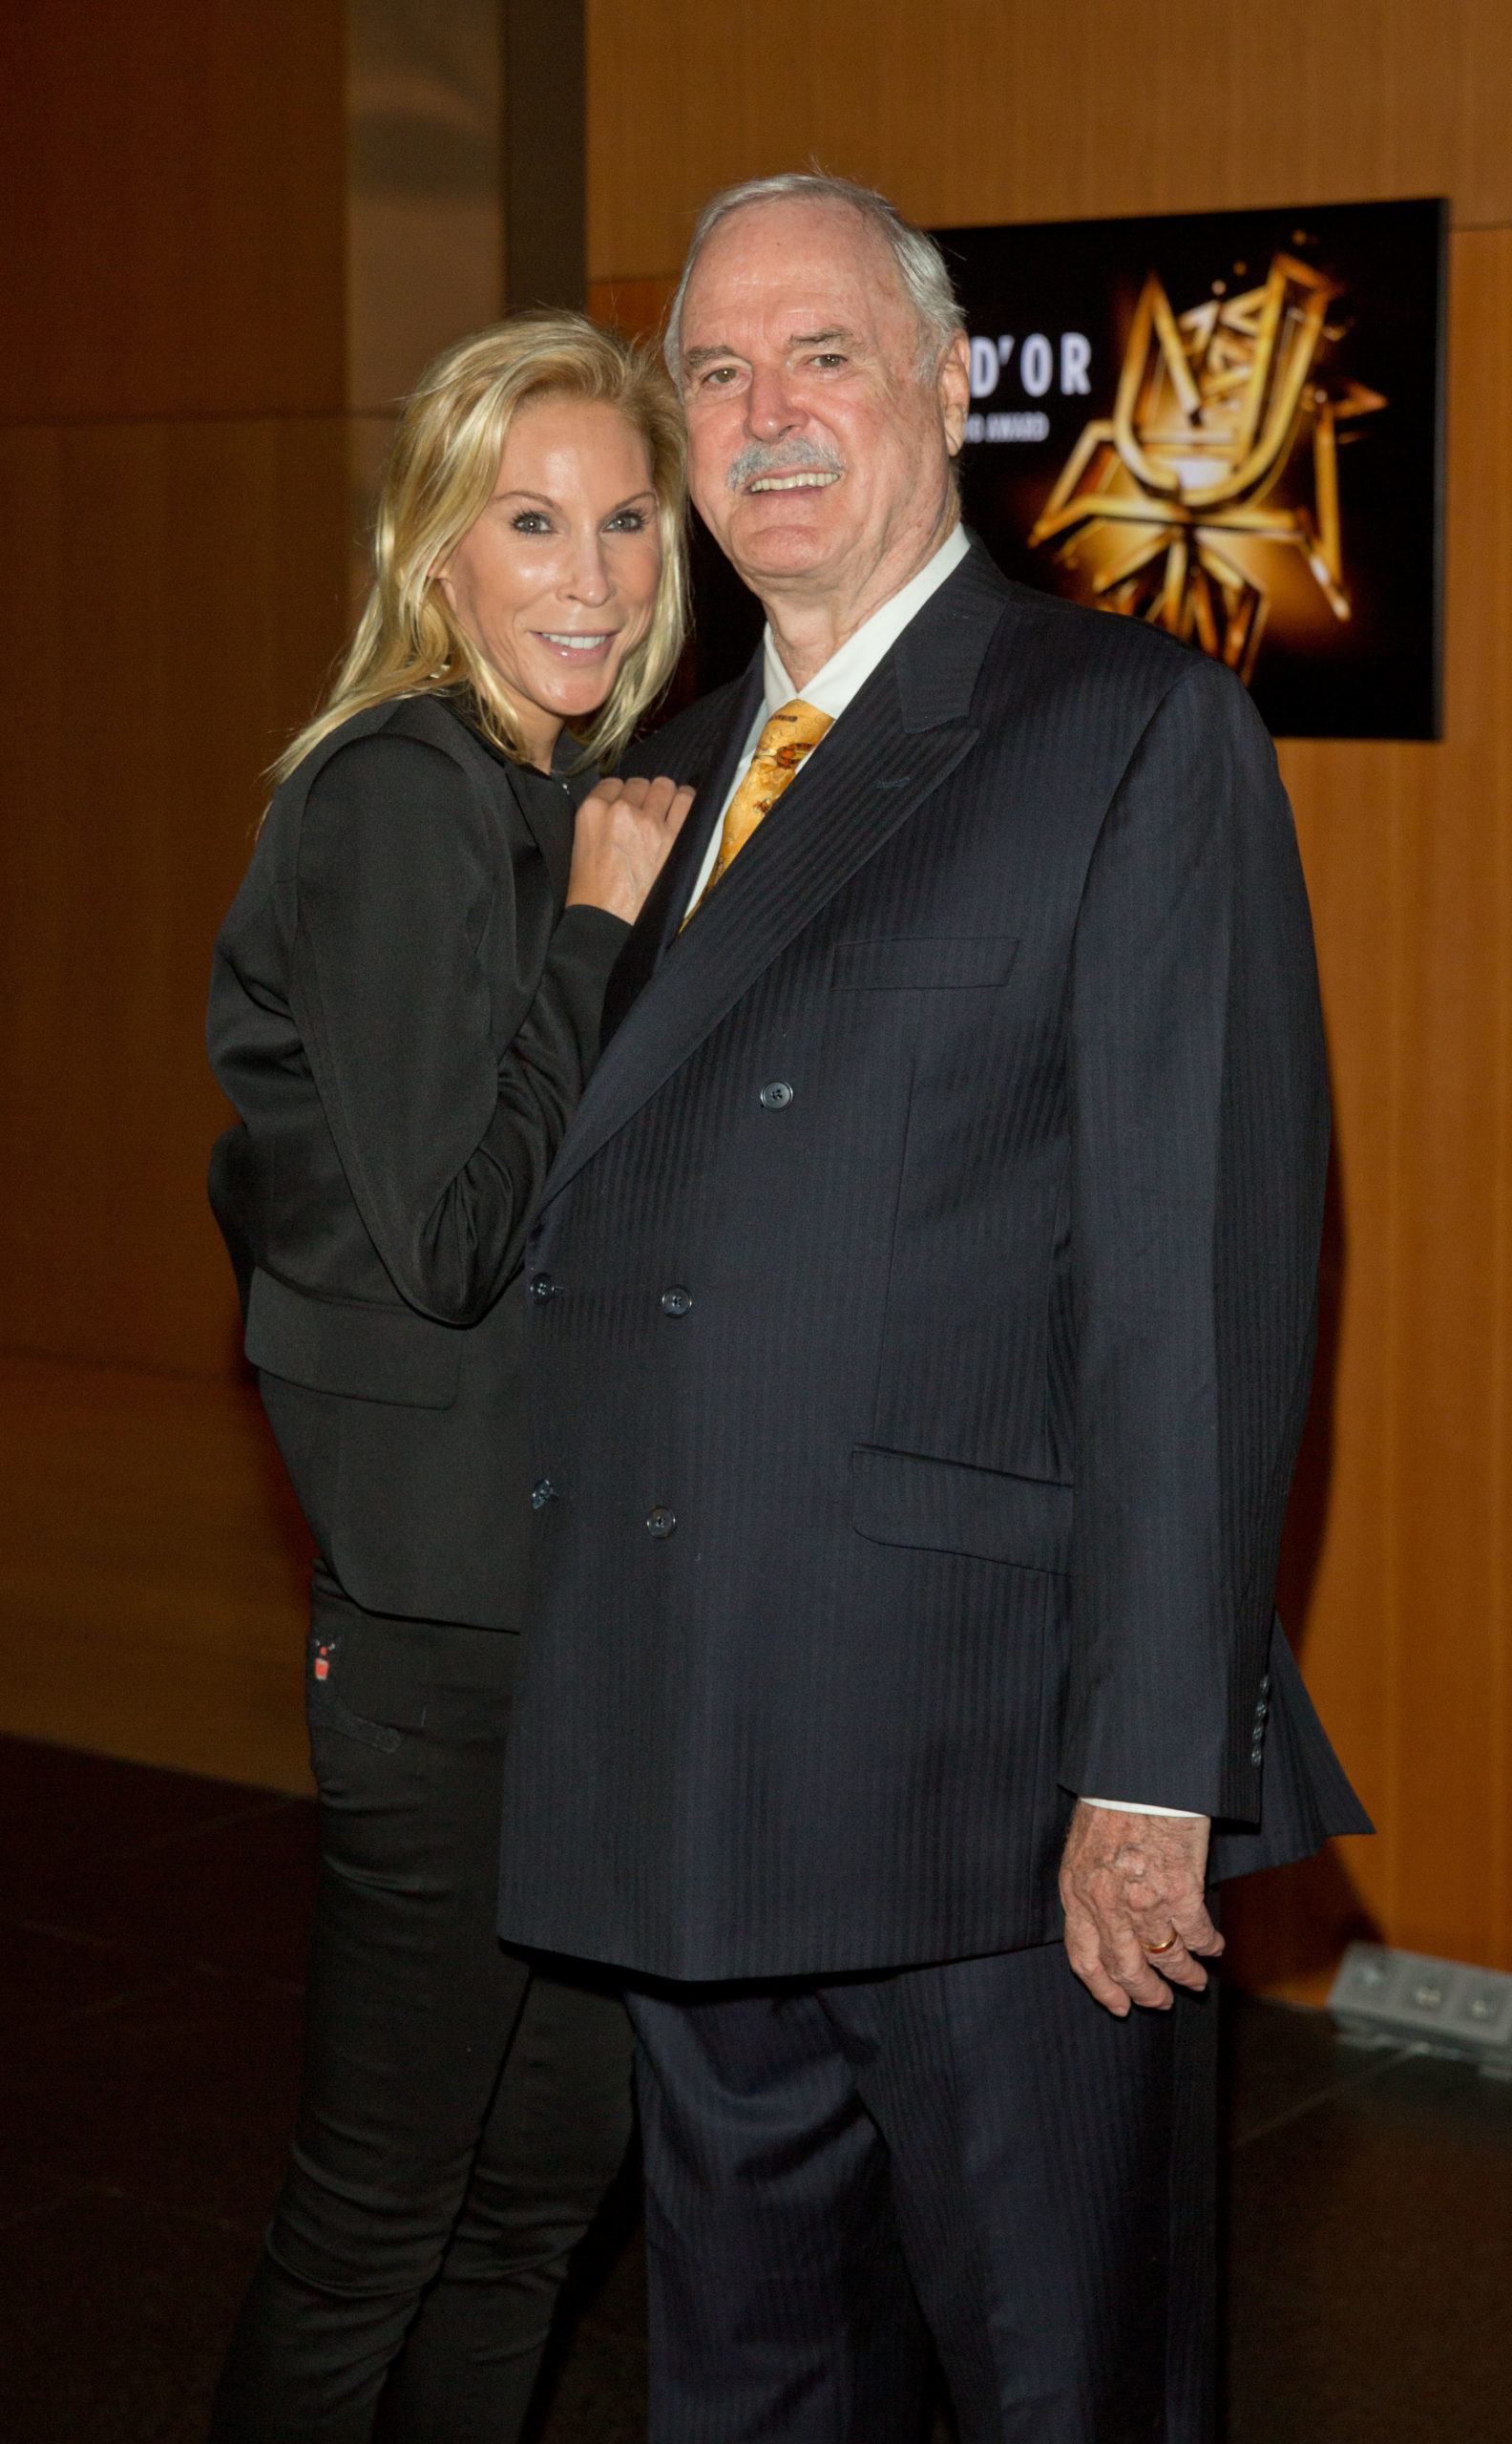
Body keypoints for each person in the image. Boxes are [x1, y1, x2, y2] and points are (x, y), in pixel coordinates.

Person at [495, 179, 1374, 2441]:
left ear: (953, 389)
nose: (766, 415)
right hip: (694, 1756)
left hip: (996, 1797)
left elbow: (1196, 1289)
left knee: (1057, 2380)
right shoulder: (661, 768)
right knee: (749, 2375)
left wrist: (1150, 1767)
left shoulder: (1126, 733)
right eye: (714, 370)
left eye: (823, 358)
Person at [203, 312, 692, 2444]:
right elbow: (452, 1236)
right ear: (440, 554)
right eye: (531, 521)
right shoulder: (401, 794)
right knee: (385, 2208)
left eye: (622, 518)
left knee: (539, 2198)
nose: (585, 573)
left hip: (586, 1609)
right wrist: (597, 931)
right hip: (442, 1641)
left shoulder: (572, 785)